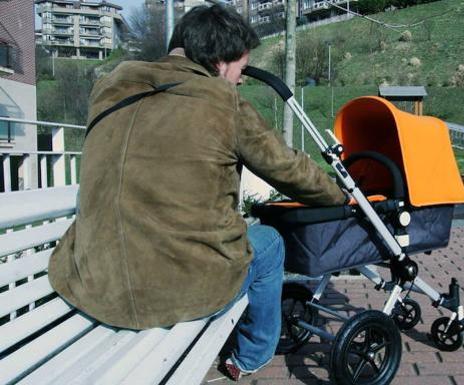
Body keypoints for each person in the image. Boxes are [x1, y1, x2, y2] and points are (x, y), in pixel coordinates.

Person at [48, 4, 346, 381]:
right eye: (240, 70)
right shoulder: (222, 102)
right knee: (268, 242)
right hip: (177, 293)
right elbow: (289, 170)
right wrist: (340, 195)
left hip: (93, 283)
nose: (240, 81)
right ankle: (252, 355)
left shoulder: (111, 85)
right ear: (219, 61)